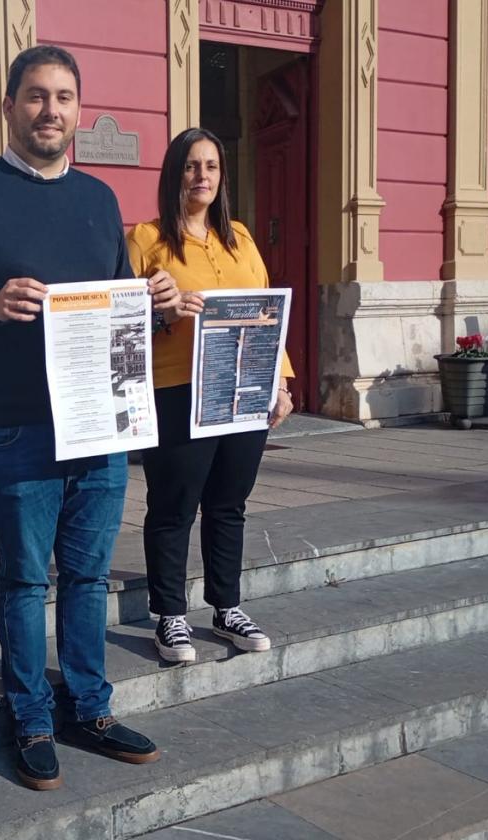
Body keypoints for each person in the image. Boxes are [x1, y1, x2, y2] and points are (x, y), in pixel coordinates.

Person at [0, 45, 184, 791]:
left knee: (90, 577)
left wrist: (155, 307)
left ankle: (90, 708)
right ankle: (32, 716)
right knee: (28, 579)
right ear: (9, 106)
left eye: (64, 97)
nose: (51, 111)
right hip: (14, 425)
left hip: (99, 422)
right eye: (36, 96)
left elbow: (121, 308)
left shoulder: (100, 201)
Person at [126, 127, 294, 665]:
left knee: (229, 504)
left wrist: (281, 381)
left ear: (222, 177)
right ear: (174, 172)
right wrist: (162, 312)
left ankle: (227, 607)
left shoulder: (240, 238)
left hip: (241, 388)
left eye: (212, 167)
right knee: (173, 506)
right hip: (176, 389)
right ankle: (170, 615)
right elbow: (123, 322)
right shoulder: (145, 239)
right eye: (192, 166)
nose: (202, 176)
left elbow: (268, 313)